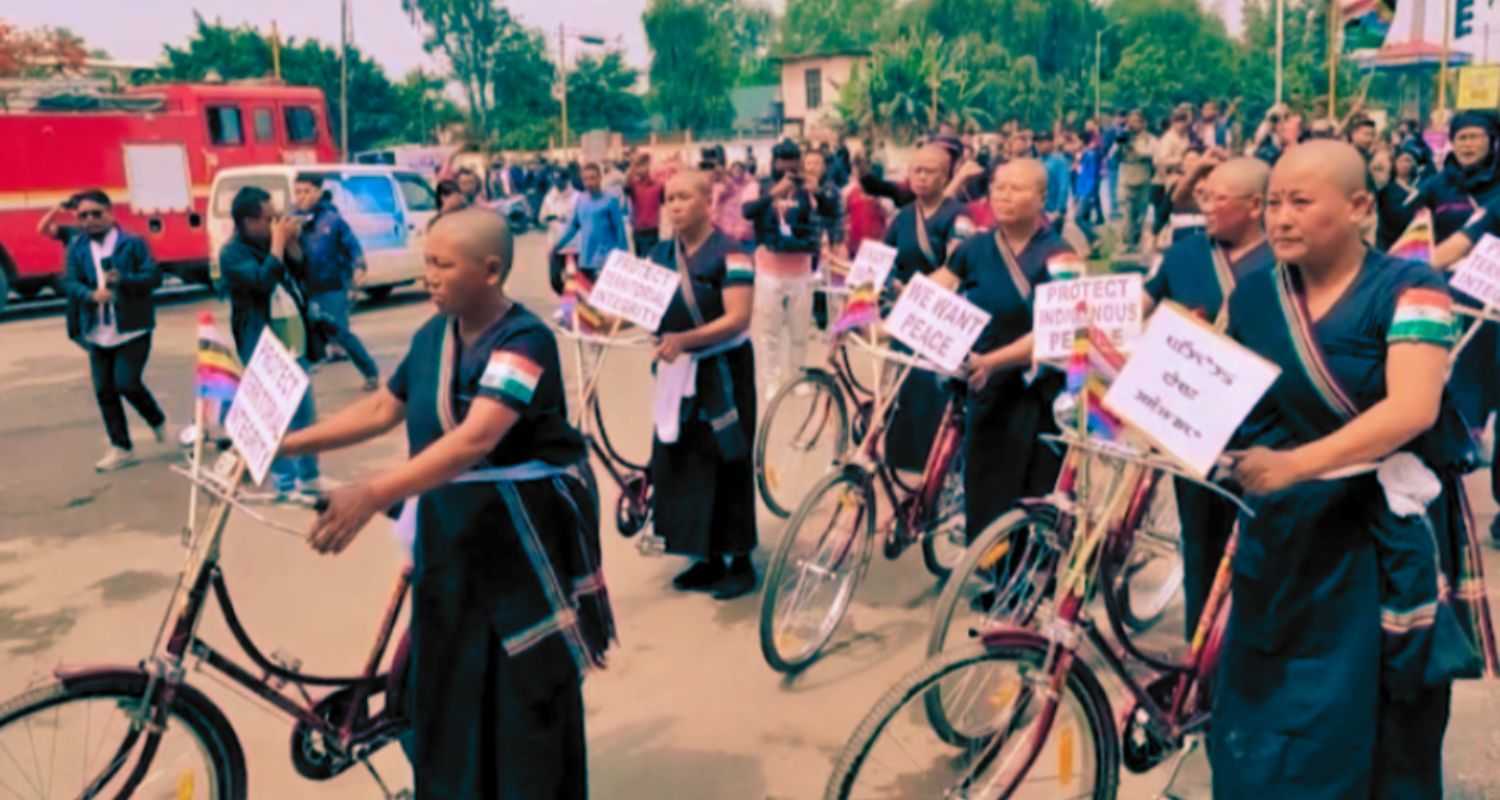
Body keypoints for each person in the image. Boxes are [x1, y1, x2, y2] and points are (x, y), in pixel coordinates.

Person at [280, 208, 610, 798]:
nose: (427, 275)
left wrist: (372, 492)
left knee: (520, 686)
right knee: (448, 676)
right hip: (451, 532)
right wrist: (287, 443)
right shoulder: (434, 334)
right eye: (426, 261)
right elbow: (384, 409)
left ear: (489, 271)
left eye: (441, 263)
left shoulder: (524, 340)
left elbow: (476, 437)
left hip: (518, 542)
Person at [1216, 141, 1478, 799]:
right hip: (1281, 538)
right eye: (1274, 203)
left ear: (1361, 207)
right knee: (1264, 699)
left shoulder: (1414, 288)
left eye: (1301, 202)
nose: (1280, 219)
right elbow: (1215, 388)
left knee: (1363, 717)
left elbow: (1413, 408)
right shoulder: (1253, 295)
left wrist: (1296, 465)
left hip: (1369, 544)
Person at [1144, 157, 1273, 636]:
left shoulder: (1284, 259)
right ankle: (1199, 647)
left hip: (1263, 428)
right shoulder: (1183, 254)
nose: (1208, 208)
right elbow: (1143, 305)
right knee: (1199, 538)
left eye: (1220, 198)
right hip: (1193, 426)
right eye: (1204, 197)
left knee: (1262, 544)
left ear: (1255, 206)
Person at [930, 160, 1071, 542]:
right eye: (999, 187)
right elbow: (939, 287)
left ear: (1042, 198)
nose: (1004, 196)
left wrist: (993, 361)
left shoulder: (1061, 257)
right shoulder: (975, 246)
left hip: (1032, 385)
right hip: (982, 382)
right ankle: (990, 564)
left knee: (1026, 481)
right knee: (984, 479)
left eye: (1017, 189)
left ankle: (1024, 578)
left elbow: (1053, 331)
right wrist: (897, 301)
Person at [648, 171, 758, 599]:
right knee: (685, 458)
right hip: (676, 370)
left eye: (684, 197)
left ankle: (740, 558)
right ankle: (705, 555)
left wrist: (686, 341)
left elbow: (738, 318)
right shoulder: (658, 253)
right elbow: (643, 308)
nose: (674, 205)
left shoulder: (733, 255)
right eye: (669, 198)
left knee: (728, 455)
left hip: (722, 369)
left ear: (708, 202)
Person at [219, 186, 322, 500]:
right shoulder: (232, 253)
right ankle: (284, 482)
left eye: (277, 217)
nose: (276, 223)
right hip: (262, 338)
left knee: (304, 410)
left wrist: (292, 247)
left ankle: (310, 478)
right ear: (248, 222)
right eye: (269, 218)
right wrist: (278, 244)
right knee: (273, 415)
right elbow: (262, 282)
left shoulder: (271, 243)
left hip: (294, 333)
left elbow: (304, 275)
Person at [58, 189, 167, 472]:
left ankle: (156, 419)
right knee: (104, 390)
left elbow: (154, 277)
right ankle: (121, 447)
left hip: (132, 327)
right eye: (83, 216)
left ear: (110, 213)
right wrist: (90, 295)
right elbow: (68, 282)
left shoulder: (132, 243)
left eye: (96, 214)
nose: (90, 220)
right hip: (97, 331)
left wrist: (125, 280)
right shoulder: (78, 247)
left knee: (126, 382)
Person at [882, 144, 975, 472]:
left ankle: (939, 470)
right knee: (903, 390)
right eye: (916, 170)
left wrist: (920, 292)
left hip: (942, 318)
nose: (921, 177)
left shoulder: (959, 218)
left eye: (929, 171)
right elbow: (883, 259)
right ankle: (901, 462)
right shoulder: (901, 218)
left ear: (946, 176)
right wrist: (889, 285)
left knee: (937, 396)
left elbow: (958, 266)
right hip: (906, 316)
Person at [741, 139, 819, 399]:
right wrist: (775, 193)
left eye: (792, 160)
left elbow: (824, 218)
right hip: (769, 272)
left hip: (801, 273)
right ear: (773, 162)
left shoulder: (806, 190)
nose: (787, 165)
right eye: (782, 160)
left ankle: (797, 378)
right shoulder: (759, 186)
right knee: (769, 333)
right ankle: (772, 381)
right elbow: (747, 212)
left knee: (799, 332)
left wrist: (815, 190)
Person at [292, 174, 379, 391]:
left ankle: (371, 372)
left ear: (318, 192)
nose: (301, 197)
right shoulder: (292, 220)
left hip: (331, 286)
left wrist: (359, 267)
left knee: (340, 331)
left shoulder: (332, 220)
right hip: (304, 288)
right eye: (298, 191)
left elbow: (352, 247)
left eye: (307, 191)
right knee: (304, 332)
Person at [551, 163, 629, 280]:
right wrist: (557, 246)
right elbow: (573, 227)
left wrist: (623, 256)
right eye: (585, 179)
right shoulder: (581, 200)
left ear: (600, 178)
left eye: (592, 178)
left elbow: (619, 229)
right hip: (586, 259)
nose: (589, 183)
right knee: (586, 295)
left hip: (605, 259)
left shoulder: (610, 200)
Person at [1118, 109, 1156, 253]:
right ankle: (1126, 244)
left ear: (1143, 123)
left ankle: (1138, 242)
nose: (1133, 124)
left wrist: (1136, 150)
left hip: (1143, 178)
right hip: (1126, 178)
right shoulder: (1124, 137)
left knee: (1140, 214)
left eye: (1136, 121)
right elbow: (1111, 156)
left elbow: (1152, 155)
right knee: (1126, 214)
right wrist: (1121, 142)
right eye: (1130, 121)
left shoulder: (1149, 139)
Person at [625, 154, 665, 257]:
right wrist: (633, 166)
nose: (641, 169)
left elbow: (663, 202)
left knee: (653, 260)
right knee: (640, 262)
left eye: (644, 165)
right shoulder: (633, 185)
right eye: (639, 166)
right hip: (637, 231)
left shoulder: (659, 186)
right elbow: (626, 186)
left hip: (653, 230)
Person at [1038, 132, 1072, 234]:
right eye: (1038, 142)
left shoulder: (1059, 161)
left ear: (1051, 143)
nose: (1039, 145)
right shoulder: (1038, 161)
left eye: (1043, 142)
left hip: (1054, 213)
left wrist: (1059, 210)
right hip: (1040, 212)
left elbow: (1064, 186)